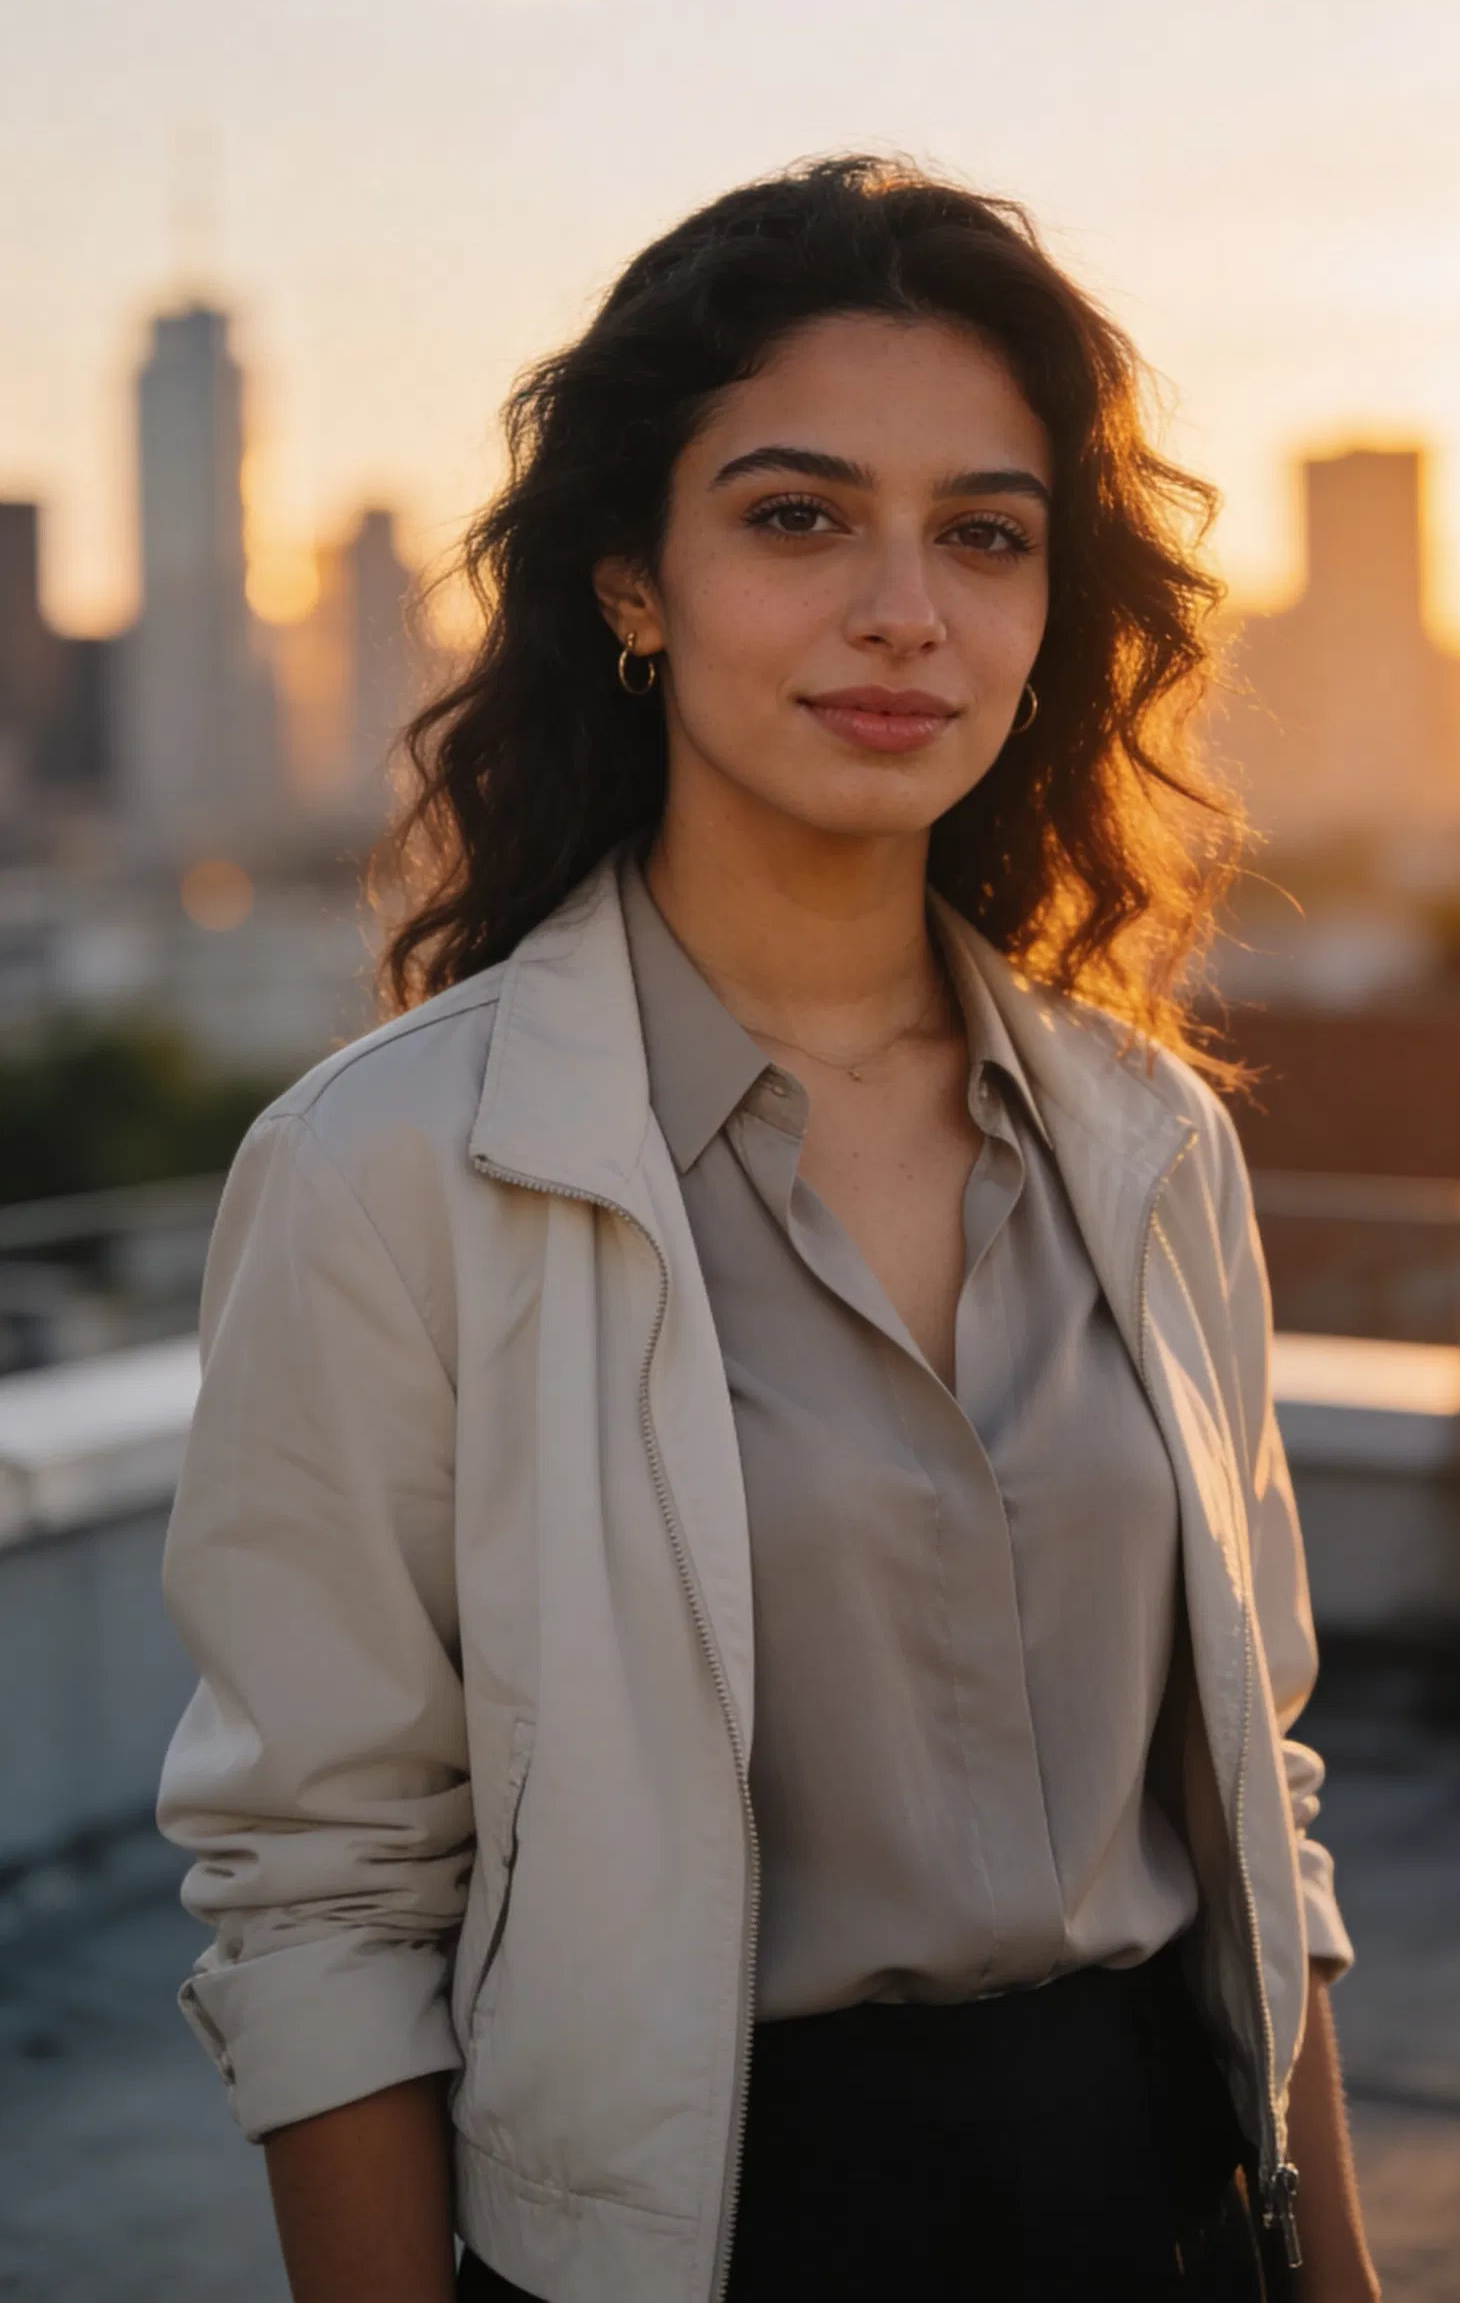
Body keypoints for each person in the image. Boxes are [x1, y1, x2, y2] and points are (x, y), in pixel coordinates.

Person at [159, 157, 1380, 2303]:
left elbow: (1252, 1804)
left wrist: (1338, 2277)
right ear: (631, 582)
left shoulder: (1148, 1146)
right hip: (701, 2245)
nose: (904, 611)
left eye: (984, 535)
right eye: (798, 518)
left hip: (1175, 2227)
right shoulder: (390, 1168)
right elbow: (320, 1896)